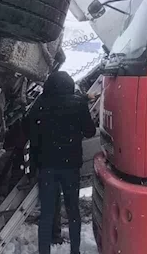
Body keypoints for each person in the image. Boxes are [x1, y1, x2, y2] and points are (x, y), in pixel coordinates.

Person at [28, 71, 96, 254]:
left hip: (47, 165)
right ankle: (75, 250)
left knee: (47, 213)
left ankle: (44, 251)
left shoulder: (41, 104)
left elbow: (27, 128)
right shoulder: (78, 104)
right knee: (73, 210)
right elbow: (90, 131)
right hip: (70, 166)